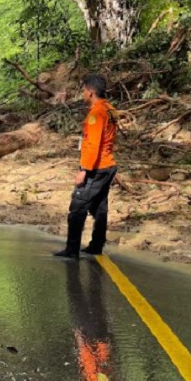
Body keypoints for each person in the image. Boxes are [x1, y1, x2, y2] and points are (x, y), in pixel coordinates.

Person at [55, 75, 118, 259]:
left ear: (90, 92)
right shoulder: (110, 109)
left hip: (97, 168)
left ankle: (72, 249)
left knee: (78, 205)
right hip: (108, 165)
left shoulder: (96, 114)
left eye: (83, 90)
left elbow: (93, 144)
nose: (82, 94)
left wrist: (84, 170)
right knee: (99, 207)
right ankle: (96, 245)